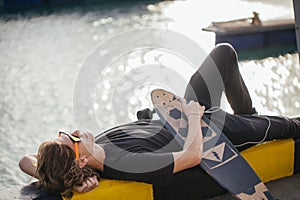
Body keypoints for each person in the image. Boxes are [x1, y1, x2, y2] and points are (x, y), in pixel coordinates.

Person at [19, 43, 300, 199]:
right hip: (209, 130)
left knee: (224, 53)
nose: (77, 131)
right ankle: (251, 123)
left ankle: (248, 113)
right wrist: (193, 117)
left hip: (177, 114)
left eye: (66, 132)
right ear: (80, 161)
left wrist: (62, 178)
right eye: (74, 138)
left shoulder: (87, 154)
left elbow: (24, 160)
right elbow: (190, 157)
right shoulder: (126, 163)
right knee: (289, 127)